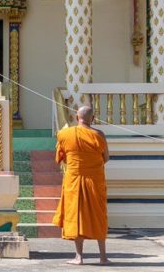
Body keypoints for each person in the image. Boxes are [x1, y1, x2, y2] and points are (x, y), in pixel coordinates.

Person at [52, 105, 110, 265]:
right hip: (95, 181)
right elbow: (106, 158)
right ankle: (103, 257)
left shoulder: (64, 134)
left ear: (77, 118)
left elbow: (60, 157)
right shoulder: (99, 135)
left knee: (75, 215)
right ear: (93, 118)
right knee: (98, 215)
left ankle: (79, 257)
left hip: (74, 180)